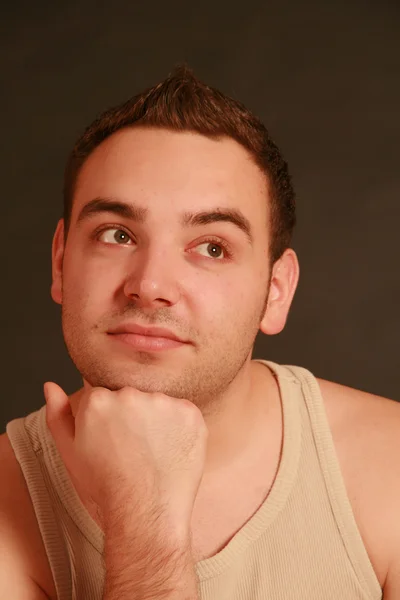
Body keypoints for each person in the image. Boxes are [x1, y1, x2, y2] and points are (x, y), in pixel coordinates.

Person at [0, 64, 399, 600]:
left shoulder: (389, 467)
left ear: (275, 291)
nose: (150, 285)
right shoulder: (7, 497)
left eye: (212, 247)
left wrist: (142, 520)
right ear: (59, 261)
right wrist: (145, 519)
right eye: (117, 234)